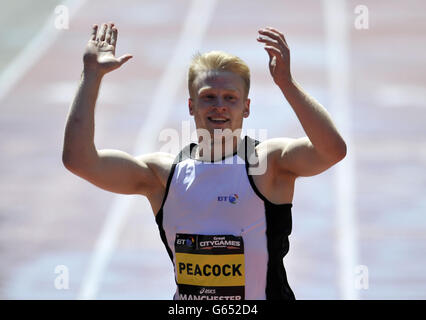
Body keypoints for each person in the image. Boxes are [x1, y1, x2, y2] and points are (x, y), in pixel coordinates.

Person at [62, 22, 347, 300]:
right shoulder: (163, 175)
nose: (219, 105)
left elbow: (331, 150)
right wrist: (91, 76)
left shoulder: (268, 165)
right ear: (191, 106)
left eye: (230, 98)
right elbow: (79, 160)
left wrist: (287, 84)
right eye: (208, 97)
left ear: (246, 107)